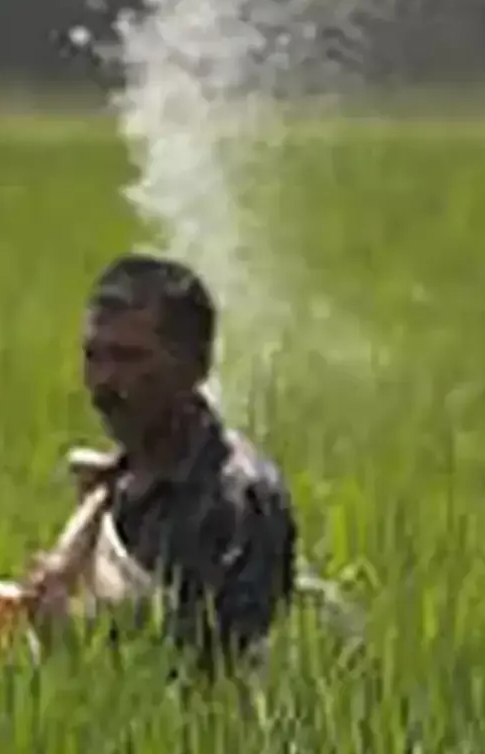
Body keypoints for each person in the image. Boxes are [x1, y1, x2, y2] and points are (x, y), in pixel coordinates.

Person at [17, 253, 301, 668]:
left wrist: (80, 632)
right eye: (93, 356)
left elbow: (222, 670)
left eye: (129, 358)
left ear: (195, 367)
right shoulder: (112, 486)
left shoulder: (239, 498)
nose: (103, 383)